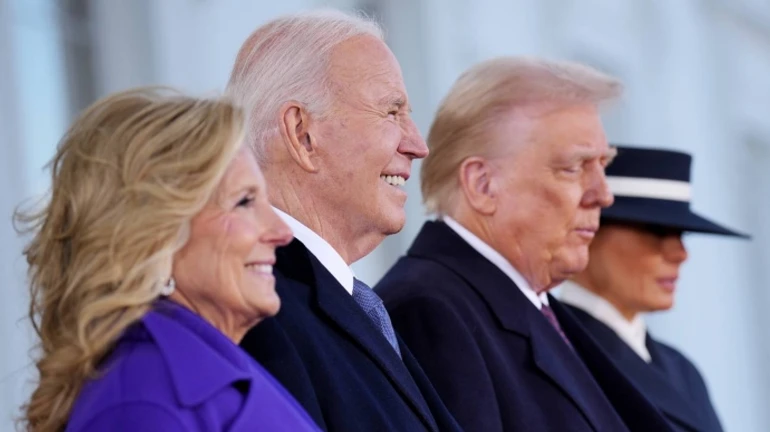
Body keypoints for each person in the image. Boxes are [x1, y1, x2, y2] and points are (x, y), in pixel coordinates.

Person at [376, 57, 674, 432]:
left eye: (603, 165)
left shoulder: (533, 305)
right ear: (483, 185)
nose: (603, 195)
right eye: (573, 167)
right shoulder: (430, 313)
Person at [16, 88, 321, 432]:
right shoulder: (141, 404)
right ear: (154, 234)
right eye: (245, 201)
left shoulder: (199, 375)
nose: (282, 232)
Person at [227, 9, 461, 432]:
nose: (418, 145)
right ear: (302, 134)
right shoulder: (258, 308)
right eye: (392, 113)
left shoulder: (343, 301)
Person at [559, 145, 748, 432]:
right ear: (588, 230)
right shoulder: (557, 351)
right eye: (656, 230)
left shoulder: (681, 369)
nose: (680, 253)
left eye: (680, 233)